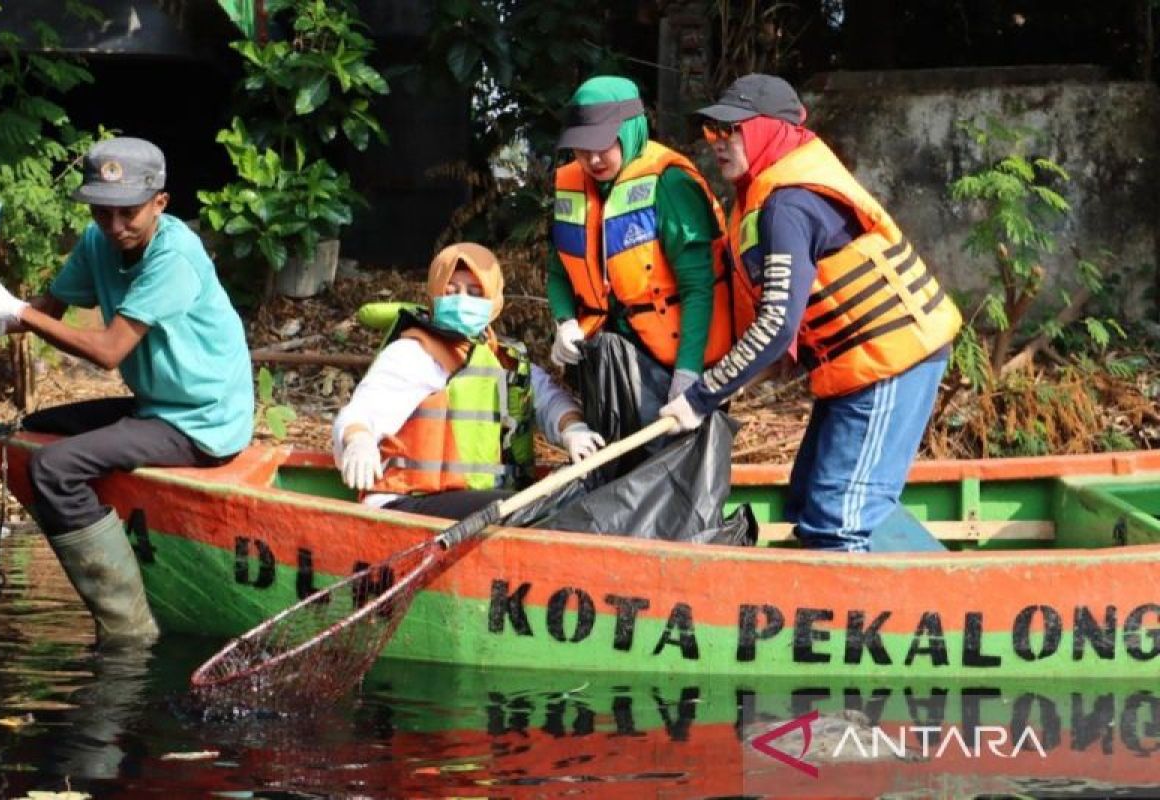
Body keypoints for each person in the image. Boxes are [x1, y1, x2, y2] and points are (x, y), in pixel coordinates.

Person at [0, 136, 255, 643]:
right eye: (102, 212)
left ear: (160, 203)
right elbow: (47, 309)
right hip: (156, 406)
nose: (115, 227)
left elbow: (108, 351)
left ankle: (128, 626)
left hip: (202, 420)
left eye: (128, 213)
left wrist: (14, 310)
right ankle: (111, 529)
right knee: (36, 429)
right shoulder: (99, 241)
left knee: (54, 468)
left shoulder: (174, 258)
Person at [660, 74, 962, 552]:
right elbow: (785, 324)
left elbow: (777, 325)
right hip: (852, 365)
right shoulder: (760, 198)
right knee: (805, 501)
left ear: (767, 132)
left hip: (893, 357)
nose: (718, 144)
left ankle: (900, 609)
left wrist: (702, 396)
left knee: (837, 518)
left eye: (732, 130)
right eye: (713, 132)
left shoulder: (787, 205)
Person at [333, 242, 604, 520]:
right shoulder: (414, 353)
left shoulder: (503, 360)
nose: (462, 301)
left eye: (475, 293)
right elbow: (362, 411)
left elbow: (549, 399)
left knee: (576, 495)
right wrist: (358, 441)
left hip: (473, 504)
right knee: (537, 510)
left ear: (494, 302)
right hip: (405, 502)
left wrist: (573, 429)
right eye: (451, 291)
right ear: (436, 294)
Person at [547, 75, 750, 430]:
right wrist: (564, 322)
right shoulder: (572, 187)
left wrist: (688, 376)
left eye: (604, 144)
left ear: (629, 131)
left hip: (676, 359)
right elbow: (559, 270)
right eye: (582, 148)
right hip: (613, 359)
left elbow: (699, 286)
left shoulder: (669, 183)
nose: (593, 159)